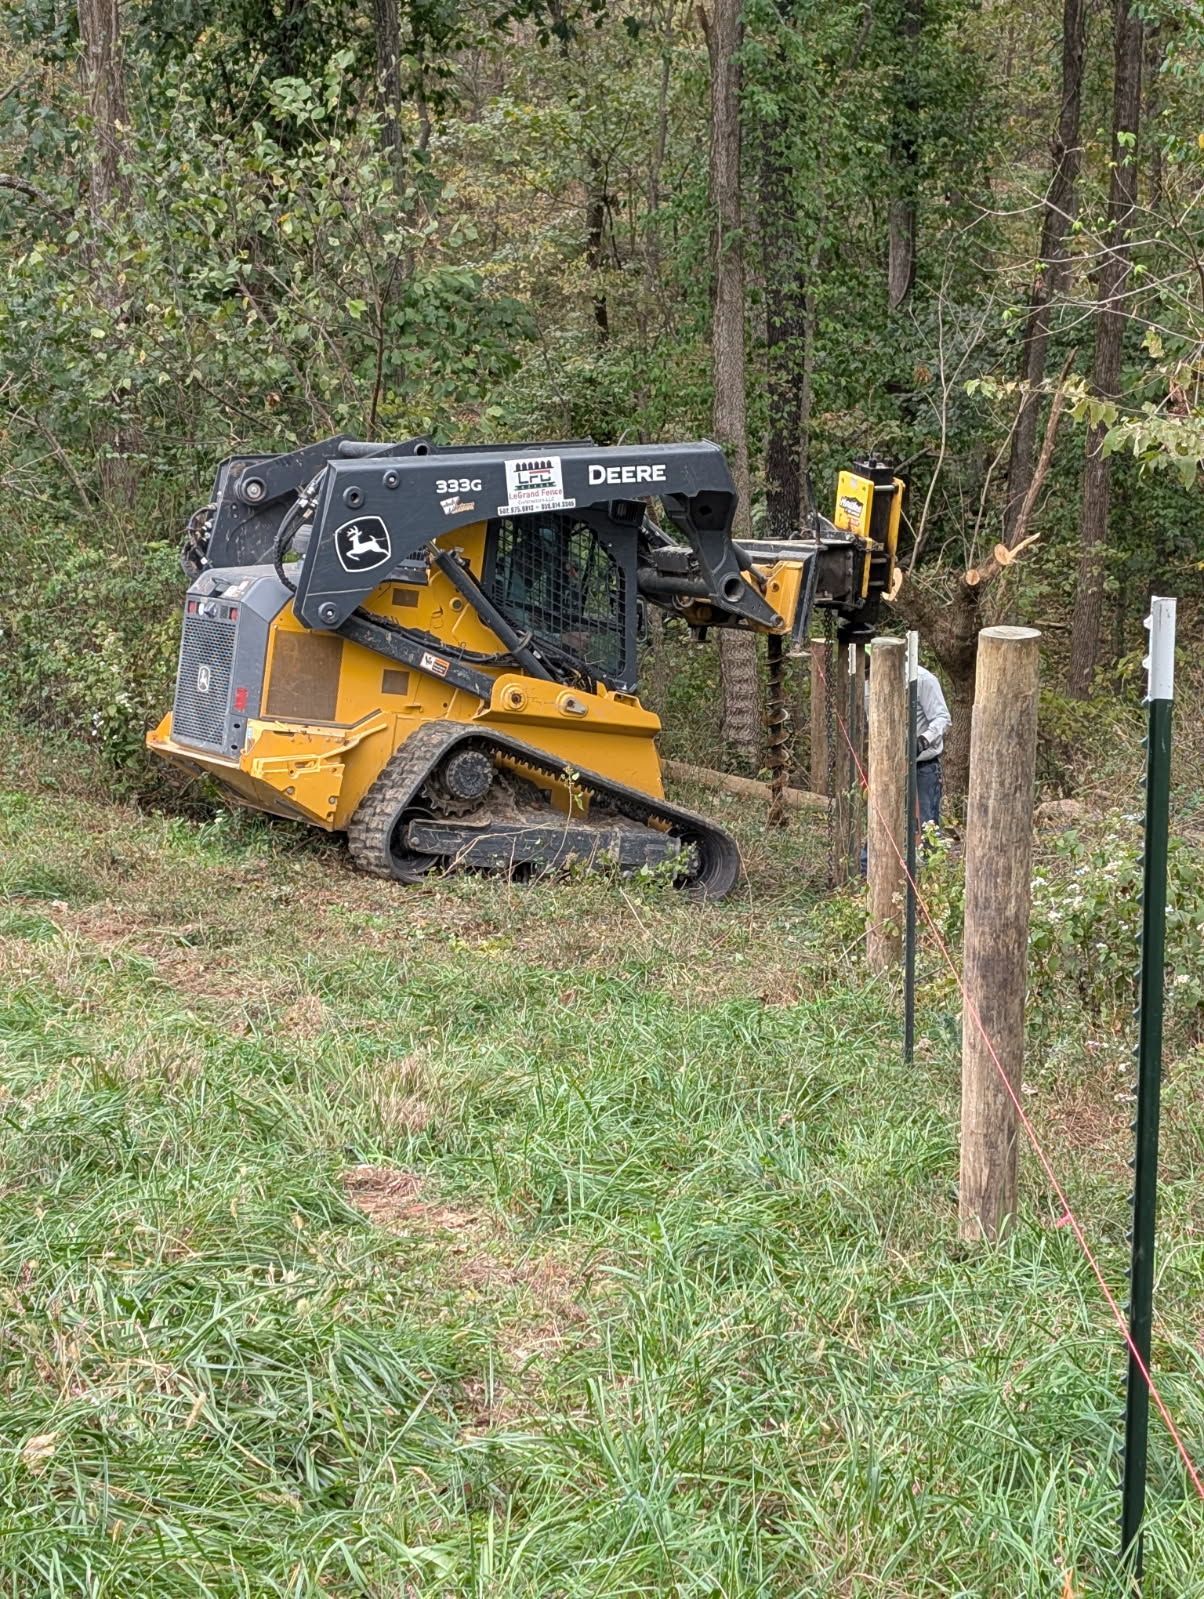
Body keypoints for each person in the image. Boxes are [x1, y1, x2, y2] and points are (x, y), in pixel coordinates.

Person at [913, 662, 951, 834]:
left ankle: (929, 860)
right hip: (888, 766)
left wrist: (922, 741)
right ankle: (866, 861)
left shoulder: (923, 679)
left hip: (922, 765)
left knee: (926, 827)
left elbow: (942, 718)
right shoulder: (870, 679)